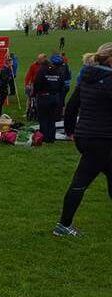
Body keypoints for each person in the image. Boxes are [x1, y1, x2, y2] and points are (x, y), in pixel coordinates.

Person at [56, 43, 112, 236]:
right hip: (101, 138)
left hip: (85, 135)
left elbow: (71, 106)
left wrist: (70, 131)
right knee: (80, 182)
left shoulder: (87, 77)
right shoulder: (109, 81)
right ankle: (63, 225)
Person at [33, 56, 65, 143]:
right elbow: (62, 85)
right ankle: (51, 137)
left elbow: (37, 83)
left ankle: (44, 137)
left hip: (44, 96)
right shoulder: (59, 72)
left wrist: (35, 93)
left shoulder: (42, 71)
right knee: (52, 118)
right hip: (55, 97)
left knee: (43, 118)